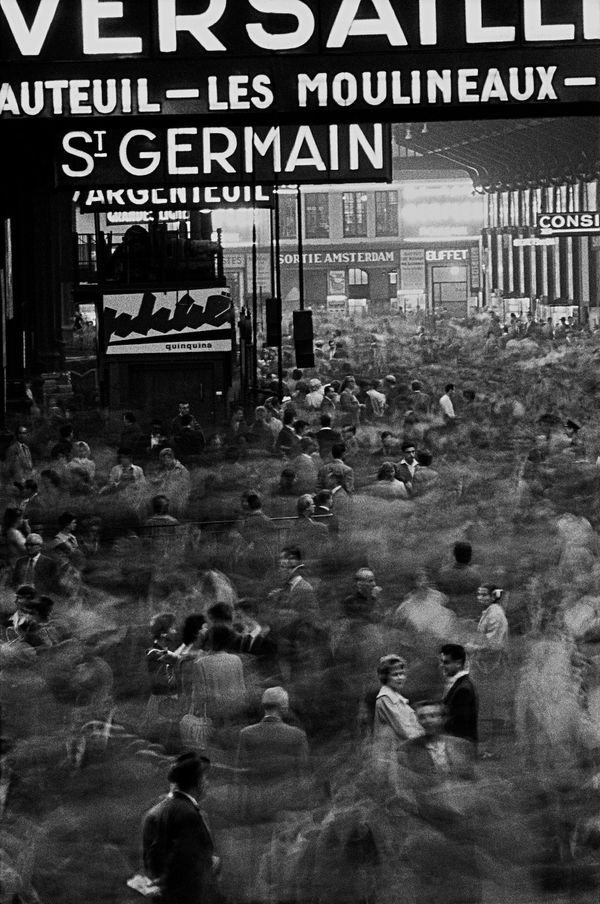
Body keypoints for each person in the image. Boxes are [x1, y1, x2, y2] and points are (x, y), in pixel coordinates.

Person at [142, 752, 220, 904]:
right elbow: (185, 864)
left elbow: (152, 863)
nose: (207, 783)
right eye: (205, 778)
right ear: (198, 782)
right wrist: (209, 863)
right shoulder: (189, 814)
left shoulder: (153, 813)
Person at [236, 686, 310, 820]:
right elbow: (302, 774)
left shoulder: (246, 734)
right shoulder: (297, 735)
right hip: (286, 808)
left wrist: (242, 813)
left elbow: (240, 776)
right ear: (284, 707)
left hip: (256, 807)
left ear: (264, 706)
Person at [372, 654, 424, 787]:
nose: (400, 677)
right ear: (385, 677)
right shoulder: (386, 699)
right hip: (396, 754)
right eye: (395, 675)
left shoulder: (396, 697)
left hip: (406, 751)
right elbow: (404, 730)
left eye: (402, 674)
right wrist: (425, 740)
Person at [439, 643, 478, 745]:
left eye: (446, 662)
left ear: (458, 663)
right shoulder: (460, 684)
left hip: (460, 745)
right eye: (441, 662)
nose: (442, 666)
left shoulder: (463, 689)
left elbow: (460, 725)